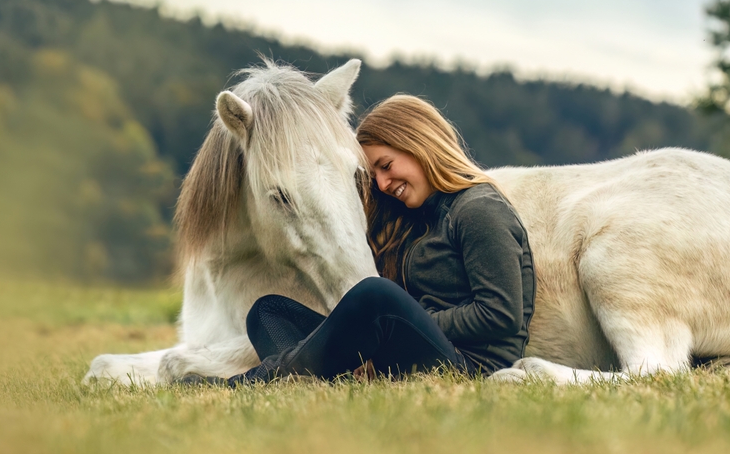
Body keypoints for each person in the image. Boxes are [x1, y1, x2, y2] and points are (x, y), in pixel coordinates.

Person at [229, 94, 535, 384]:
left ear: (420, 145)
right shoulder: (418, 218)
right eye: (375, 174)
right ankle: (314, 378)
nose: (383, 183)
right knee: (269, 311)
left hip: (467, 366)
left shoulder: (479, 210)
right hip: (410, 350)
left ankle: (270, 377)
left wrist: (409, 323)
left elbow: (501, 314)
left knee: (375, 295)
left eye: (386, 166)